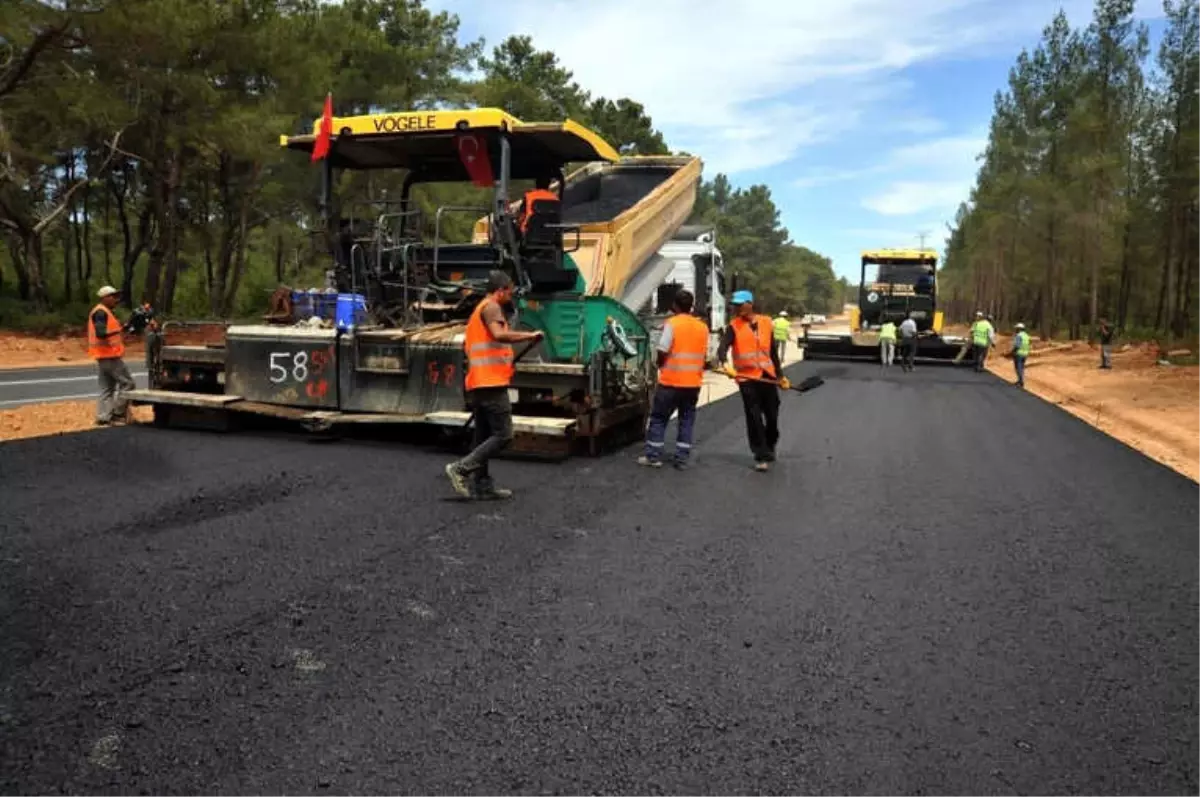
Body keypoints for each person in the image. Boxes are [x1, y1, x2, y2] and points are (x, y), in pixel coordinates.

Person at [444, 271, 543, 500]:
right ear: (500, 290)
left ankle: (483, 485)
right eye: (509, 291)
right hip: (490, 383)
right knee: (504, 434)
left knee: (483, 435)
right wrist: (529, 336)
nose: (511, 295)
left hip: (481, 381)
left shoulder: (481, 308)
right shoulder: (491, 308)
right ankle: (460, 468)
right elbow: (499, 334)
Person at [716, 290, 790, 472]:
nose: (738, 308)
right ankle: (761, 455)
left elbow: (772, 352)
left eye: (741, 304)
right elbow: (722, 348)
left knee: (772, 416)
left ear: (750, 303)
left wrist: (780, 376)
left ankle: (770, 444)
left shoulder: (766, 322)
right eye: (735, 305)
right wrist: (726, 364)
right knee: (754, 417)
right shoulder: (734, 326)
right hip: (747, 379)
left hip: (767, 376)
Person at [639, 289, 708, 470]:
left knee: (659, 418)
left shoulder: (672, 323)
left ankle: (653, 457)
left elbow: (663, 349)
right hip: (692, 383)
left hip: (671, 382)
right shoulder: (702, 327)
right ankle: (681, 459)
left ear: (675, 305)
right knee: (686, 419)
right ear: (691, 306)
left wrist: (659, 364)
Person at [88, 285, 136, 426]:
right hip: (109, 355)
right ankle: (117, 415)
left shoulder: (104, 312)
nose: (116, 299)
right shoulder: (101, 312)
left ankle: (103, 417)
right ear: (105, 298)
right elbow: (101, 333)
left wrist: (123, 329)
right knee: (128, 383)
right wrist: (118, 331)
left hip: (103, 355)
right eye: (114, 296)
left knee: (107, 388)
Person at [1011, 322, 1031, 387]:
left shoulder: (1019, 335)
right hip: (1025, 354)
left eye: (1016, 328)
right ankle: (1020, 380)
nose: (1016, 330)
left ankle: (1020, 381)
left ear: (1019, 329)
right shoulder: (1026, 336)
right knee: (1022, 368)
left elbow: (1017, 345)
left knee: (1018, 368)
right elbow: (1029, 344)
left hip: (1019, 353)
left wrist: (1013, 352)